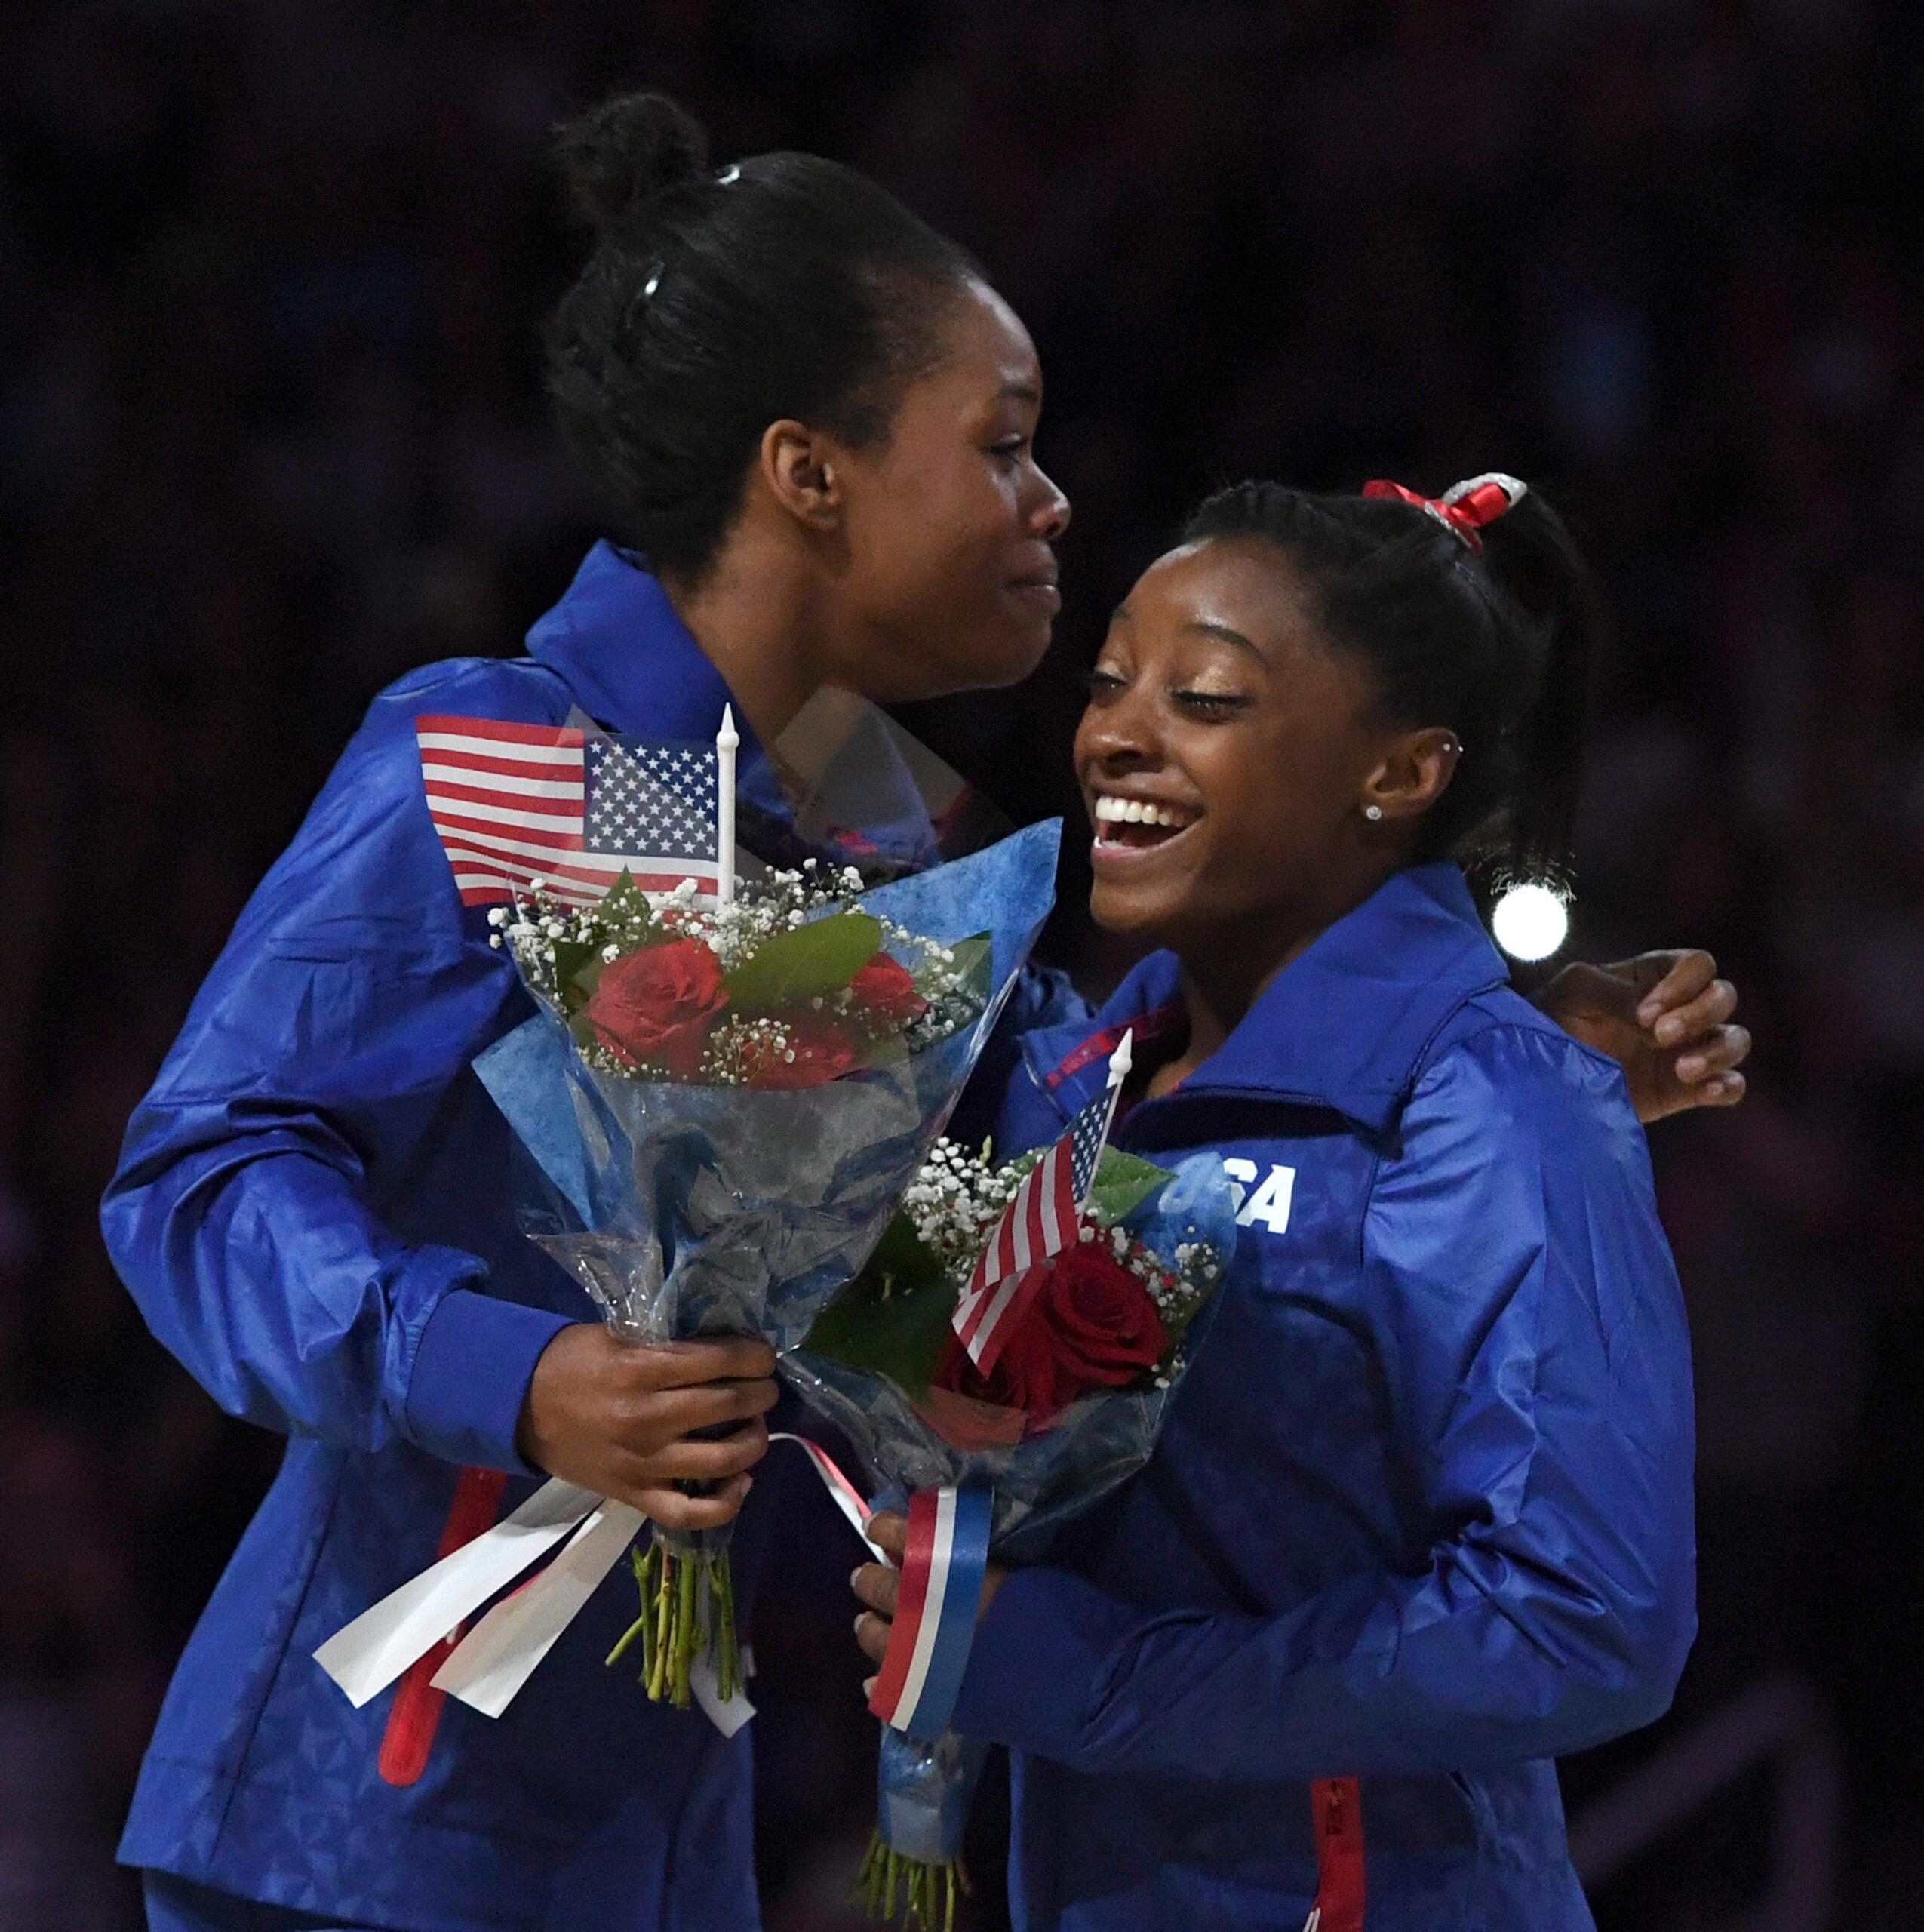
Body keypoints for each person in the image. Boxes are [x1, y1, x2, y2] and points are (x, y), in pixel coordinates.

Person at [106, 88, 1739, 1932]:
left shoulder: (884, 830)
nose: (1052, 504)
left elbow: (1033, 1201)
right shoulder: (513, 752)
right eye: (1005, 444)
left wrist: (1480, 1037)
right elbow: (197, 1174)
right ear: (812, 472)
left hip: (658, 1833)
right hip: (368, 1813)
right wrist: (522, 1374)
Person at [854, 475, 1707, 1930]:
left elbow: (1586, 1620)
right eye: (1110, 682)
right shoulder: (1074, 1082)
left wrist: (1103, 1681)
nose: (1115, 735)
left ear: (1399, 773)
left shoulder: (1490, 1102)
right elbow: (943, 1453)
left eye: (1205, 698)